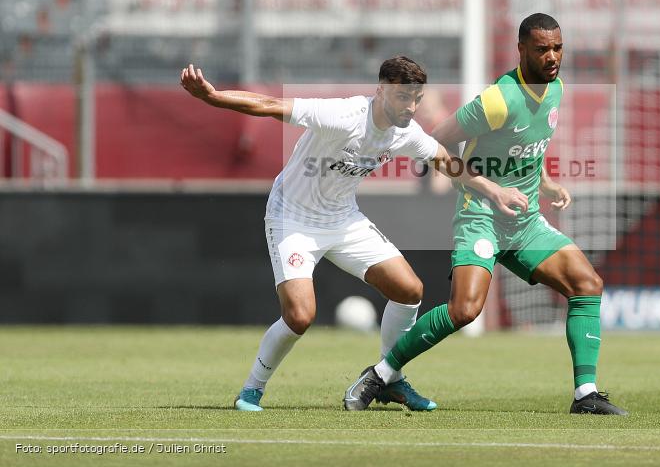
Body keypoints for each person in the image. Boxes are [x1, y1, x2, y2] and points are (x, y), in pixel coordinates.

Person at [180, 57, 528, 411]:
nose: (410, 107)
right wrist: (212, 96)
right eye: (402, 97)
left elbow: (445, 161)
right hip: (293, 218)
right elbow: (270, 105)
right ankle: (252, 389)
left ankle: (390, 377)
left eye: (416, 98)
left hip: (343, 220)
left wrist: (494, 190)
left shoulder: (405, 132)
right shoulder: (343, 115)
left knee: (409, 290)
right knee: (300, 316)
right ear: (380, 91)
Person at [344, 14, 628, 415]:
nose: (552, 57)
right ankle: (380, 374)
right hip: (480, 215)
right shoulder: (498, 100)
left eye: (557, 48)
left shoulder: (556, 88)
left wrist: (546, 184)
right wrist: (478, 186)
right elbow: (435, 140)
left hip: (524, 223)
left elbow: (528, 146)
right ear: (521, 50)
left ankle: (586, 395)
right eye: (542, 49)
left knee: (586, 283)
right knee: (465, 310)